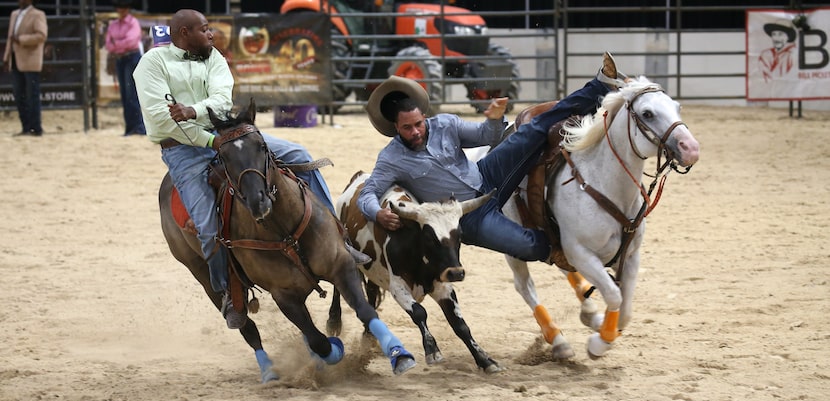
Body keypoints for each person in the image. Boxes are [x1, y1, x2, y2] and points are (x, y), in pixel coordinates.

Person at [133, 9, 364, 329]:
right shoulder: (152, 65)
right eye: (205, 29)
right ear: (184, 33)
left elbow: (222, 104)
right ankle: (230, 293)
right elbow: (161, 120)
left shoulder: (212, 57)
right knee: (206, 226)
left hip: (228, 135)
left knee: (300, 154)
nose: (211, 34)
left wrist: (193, 111)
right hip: (185, 152)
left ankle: (339, 237)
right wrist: (208, 140)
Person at [358, 52, 627, 264]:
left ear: (424, 117)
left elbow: (487, 136)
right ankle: (562, 246)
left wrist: (494, 119)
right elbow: (367, 193)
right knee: (532, 248)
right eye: (407, 128)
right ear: (396, 128)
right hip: (466, 216)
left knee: (534, 129)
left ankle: (598, 89)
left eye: (418, 123)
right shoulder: (391, 158)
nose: (415, 131)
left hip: (486, 174)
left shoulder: (445, 124)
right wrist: (378, 213)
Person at [2, 0, 48, 137]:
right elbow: (10, 38)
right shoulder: (14, 14)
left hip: (30, 59)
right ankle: (26, 127)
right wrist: (6, 57)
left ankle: (36, 127)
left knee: (31, 94)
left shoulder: (38, 15)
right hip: (16, 58)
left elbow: (41, 35)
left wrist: (22, 39)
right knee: (19, 94)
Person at [104, 0, 146, 136]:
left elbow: (131, 41)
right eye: (119, 7)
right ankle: (130, 127)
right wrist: (120, 45)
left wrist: (117, 44)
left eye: (123, 7)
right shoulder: (115, 24)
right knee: (126, 94)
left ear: (127, 9)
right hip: (122, 58)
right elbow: (109, 44)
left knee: (131, 94)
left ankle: (138, 127)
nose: (121, 10)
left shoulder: (133, 23)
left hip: (130, 58)